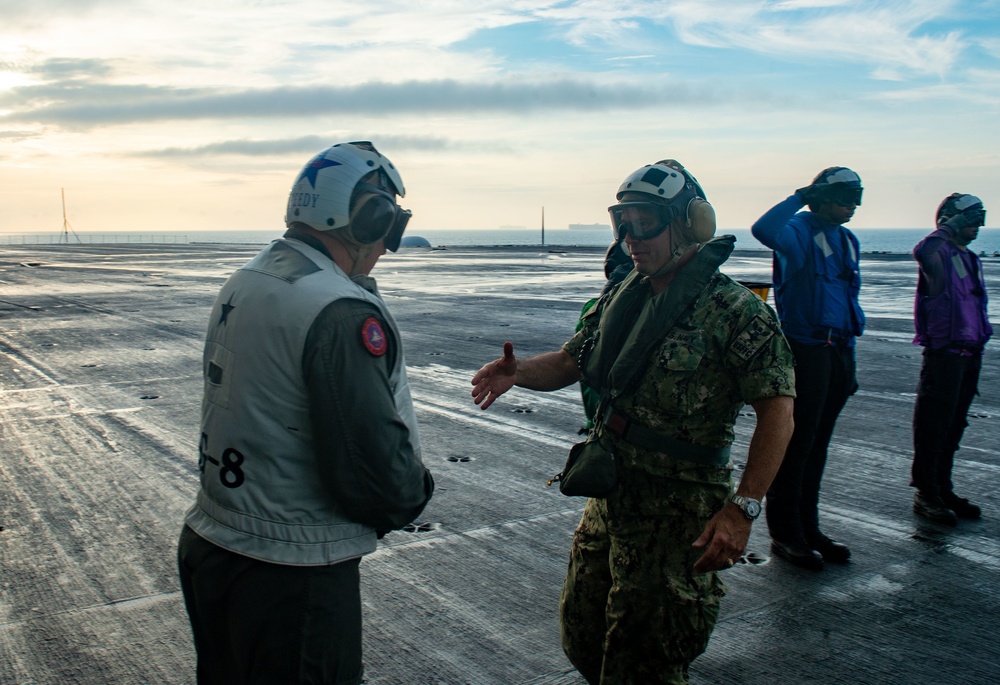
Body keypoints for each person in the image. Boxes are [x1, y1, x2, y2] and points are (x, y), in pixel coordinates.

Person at [471, 160, 795, 685]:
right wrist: (518, 373)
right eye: (623, 223)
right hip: (613, 494)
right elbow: (573, 360)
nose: (630, 239)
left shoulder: (735, 311)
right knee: (582, 637)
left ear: (690, 223)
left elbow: (778, 413)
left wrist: (743, 508)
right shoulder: (624, 298)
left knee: (647, 661)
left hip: (679, 511)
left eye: (645, 222)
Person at [177, 141, 435, 685]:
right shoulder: (337, 309)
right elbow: (373, 471)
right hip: (291, 570)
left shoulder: (251, 278)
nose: (387, 245)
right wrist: (413, 492)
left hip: (215, 540)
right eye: (388, 222)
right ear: (367, 218)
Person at [751, 166, 865, 570]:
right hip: (807, 349)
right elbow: (764, 230)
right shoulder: (799, 230)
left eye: (857, 196)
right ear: (822, 196)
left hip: (838, 352)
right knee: (797, 445)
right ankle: (786, 534)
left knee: (818, 445)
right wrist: (799, 196)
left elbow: (846, 297)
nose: (852, 204)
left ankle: (809, 528)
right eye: (845, 196)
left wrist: (848, 358)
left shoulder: (847, 239)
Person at [911, 193, 992, 524]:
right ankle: (926, 492)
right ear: (950, 220)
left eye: (979, 219)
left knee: (954, 424)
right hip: (944, 353)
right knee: (934, 424)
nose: (976, 226)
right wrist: (949, 226)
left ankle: (943, 487)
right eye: (969, 219)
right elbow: (923, 250)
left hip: (969, 353)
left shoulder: (969, 258)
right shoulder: (938, 256)